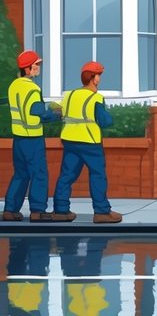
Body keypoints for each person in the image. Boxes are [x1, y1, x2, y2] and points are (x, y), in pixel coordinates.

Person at [52, 61, 120, 224]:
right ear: (93, 78)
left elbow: (57, 112)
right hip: (89, 142)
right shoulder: (96, 98)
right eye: (99, 75)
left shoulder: (69, 95)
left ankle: (61, 210)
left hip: (69, 140)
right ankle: (102, 212)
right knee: (97, 175)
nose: (100, 79)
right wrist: (110, 117)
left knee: (67, 175)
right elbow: (104, 121)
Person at [4, 50, 60, 222]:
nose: (38, 68)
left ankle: (10, 209)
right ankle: (37, 211)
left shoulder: (13, 86)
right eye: (35, 65)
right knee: (39, 173)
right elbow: (39, 114)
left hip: (18, 139)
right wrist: (56, 114)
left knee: (20, 174)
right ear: (26, 69)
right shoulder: (33, 89)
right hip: (33, 138)